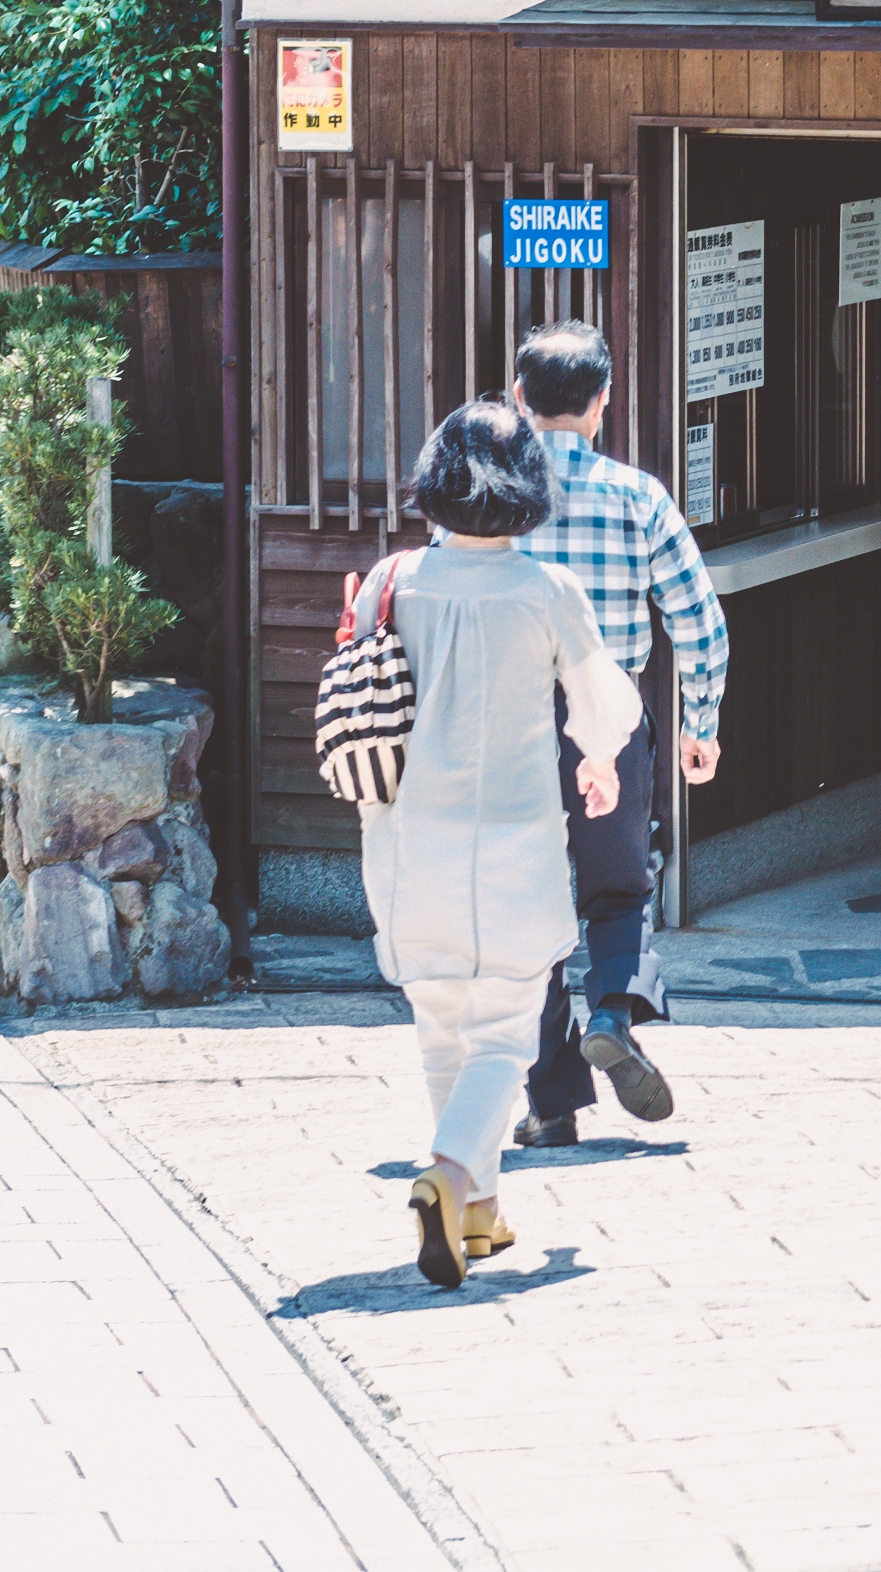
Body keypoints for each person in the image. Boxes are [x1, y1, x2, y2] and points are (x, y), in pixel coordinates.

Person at [359, 397, 637, 1290]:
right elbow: (604, 708)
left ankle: (477, 1210)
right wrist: (597, 759)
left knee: (441, 1027)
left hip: (404, 841)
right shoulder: (543, 591)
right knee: (507, 1040)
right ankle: (445, 1174)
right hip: (511, 841)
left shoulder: (390, 582)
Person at [506, 321, 727, 1144]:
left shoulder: (492, 499)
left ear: (519, 399)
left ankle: (553, 1104)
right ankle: (609, 1010)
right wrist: (698, 725)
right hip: (611, 720)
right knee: (620, 886)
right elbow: (700, 625)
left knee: (524, 912)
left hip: (512, 727)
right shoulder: (638, 496)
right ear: (603, 402)